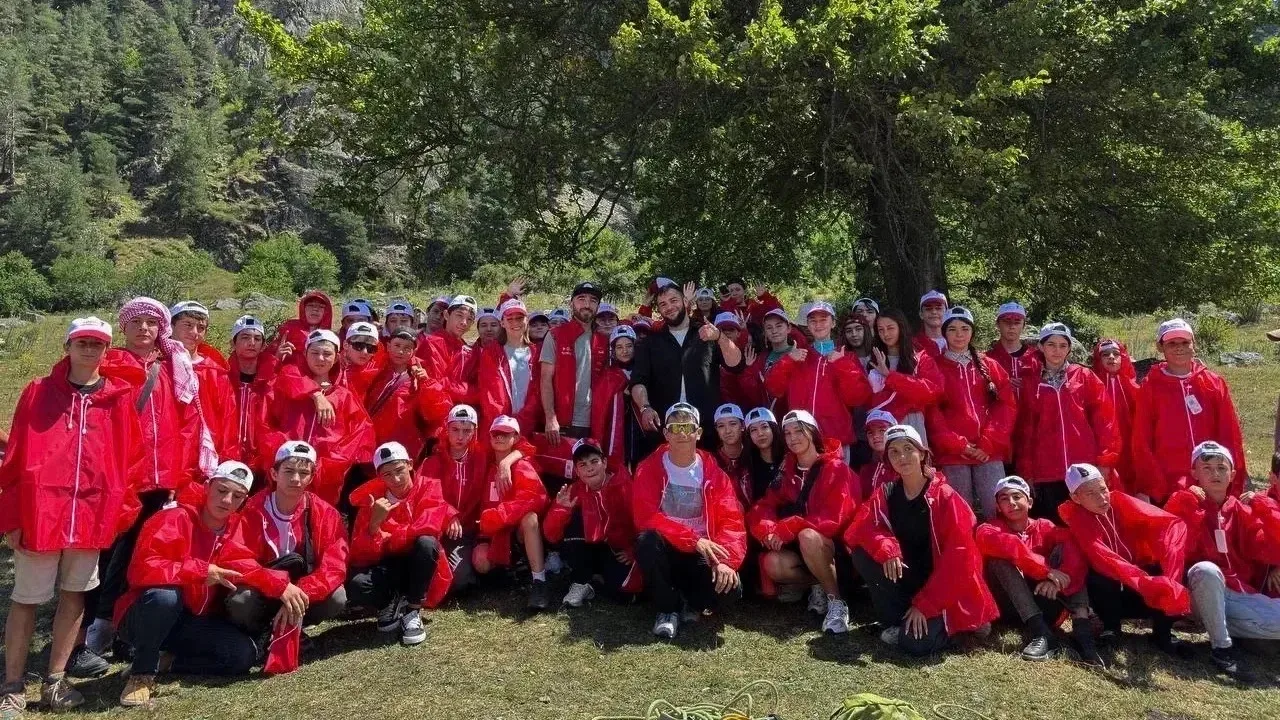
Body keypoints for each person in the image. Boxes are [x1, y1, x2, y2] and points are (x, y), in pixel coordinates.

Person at [0, 318, 144, 714]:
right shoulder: (38, 391)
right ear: (68, 346)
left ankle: (55, 680)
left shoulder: (119, 398)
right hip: (40, 513)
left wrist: (119, 515)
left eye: (97, 344)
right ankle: (12, 686)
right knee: (26, 598)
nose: (89, 350)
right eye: (82, 342)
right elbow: (15, 457)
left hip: (92, 516)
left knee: (75, 595)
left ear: (106, 350)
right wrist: (11, 516)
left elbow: (131, 462)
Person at [82, 298, 208, 669]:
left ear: (160, 329)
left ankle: (125, 628)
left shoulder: (172, 367)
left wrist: (179, 474)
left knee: (142, 556)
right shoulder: (108, 365)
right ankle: (92, 629)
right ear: (123, 327)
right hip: (120, 479)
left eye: (151, 323)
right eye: (136, 322)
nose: (144, 329)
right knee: (106, 556)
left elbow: (186, 424)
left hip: (160, 479)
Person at [113, 462, 282, 707]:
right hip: (145, 613)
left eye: (237, 496)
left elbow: (244, 564)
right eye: (221, 490)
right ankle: (141, 674)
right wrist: (200, 571)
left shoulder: (237, 527)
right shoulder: (173, 517)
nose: (227, 500)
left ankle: (167, 662)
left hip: (191, 619)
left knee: (243, 656)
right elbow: (143, 568)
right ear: (207, 486)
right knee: (165, 596)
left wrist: (282, 586)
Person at [846, 424, 998, 656]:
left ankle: (964, 627)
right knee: (862, 553)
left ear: (922, 454)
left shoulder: (944, 496)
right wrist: (887, 548)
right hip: (911, 578)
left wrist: (926, 604)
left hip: (945, 586)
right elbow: (859, 529)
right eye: (894, 452)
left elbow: (960, 560)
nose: (902, 457)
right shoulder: (886, 492)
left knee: (915, 645)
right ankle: (898, 620)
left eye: (908, 449)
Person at [1165, 442, 1280, 682]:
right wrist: (1189, 506)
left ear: (1233, 474)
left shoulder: (1241, 509)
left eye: (1221, 468)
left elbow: (1270, 550)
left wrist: (1264, 506)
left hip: (1239, 595)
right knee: (1206, 570)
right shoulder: (1182, 501)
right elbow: (1176, 549)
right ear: (1194, 473)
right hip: (1199, 593)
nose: (1215, 474)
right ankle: (1222, 648)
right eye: (1206, 468)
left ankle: (1225, 627)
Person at [230, 442, 350, 670]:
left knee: (337, 597)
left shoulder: (325, 513)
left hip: (300, 588)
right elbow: (236, 558)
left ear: (311, 477)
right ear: (274, 474)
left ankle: (294, 625)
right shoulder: (252, 509)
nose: (296, 479)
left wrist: (300, 594)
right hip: (262, 589)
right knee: (241, 600)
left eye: (304, 473)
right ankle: (262, 631)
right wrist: (280, 586)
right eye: (289, 471)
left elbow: (335, 566)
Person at [632, 403, 746, 639]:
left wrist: (727, 562)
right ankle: (667, 609)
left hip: (701, 553)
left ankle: (690, 602)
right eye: (675, 428)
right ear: (666, 434)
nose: (682, 433)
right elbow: (646, 517)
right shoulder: (649, 468)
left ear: (699, 433)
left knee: (732, 589)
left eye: (688, 427)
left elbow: (732, 521)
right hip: (668, 549)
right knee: (646, 541)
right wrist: (693, 539)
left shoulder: (714, 473)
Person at [1058, 463, 1193, 658]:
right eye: (1091, 494)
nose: (1102, 498)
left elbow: (1168, 523)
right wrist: (1147, 583)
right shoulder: (1078, 519)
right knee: (1101, 575)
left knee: (1169, 568)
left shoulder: (1120, 501)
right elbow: (1105, 559)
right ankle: (1111, 628)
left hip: (1139, 590)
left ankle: (1162, 632)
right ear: (1075, 498)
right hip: (1110, 596)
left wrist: (1171, 578)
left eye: (1103, 489)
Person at [749, 410, 856, 634]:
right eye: (787, 433)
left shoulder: (836, 469)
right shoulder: (788, 470)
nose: (793, 438)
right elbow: (764, 505)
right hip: (804, 549)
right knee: (772, 563)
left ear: (813, 433)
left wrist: (789, 527)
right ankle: (818, 583)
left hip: (838, 551)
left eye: (799, 431)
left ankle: (837, 602)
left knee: (808, 536)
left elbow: (833, 519)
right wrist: (768, 530)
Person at [975, 476, 1095, 663]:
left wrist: (1056, 582)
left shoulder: (1045, 527)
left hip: (1046, 600)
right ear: (998, 506)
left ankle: (1083, 633)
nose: (1011, 503)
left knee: (1069, 549)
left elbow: (1074, 549)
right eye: (1004, 499)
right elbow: (1009, 545)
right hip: (1008, 608)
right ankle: (1041, 633)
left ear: (1030, 502)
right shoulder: (988, 528)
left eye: (1017, 496)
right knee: (998, 560)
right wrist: (1045, 570)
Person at [347, 442, 453, 646]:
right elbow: (359, 555)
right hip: (388, 565)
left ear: (410, 464)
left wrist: (388, 537)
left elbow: (429, 526)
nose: (395, 479)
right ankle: (390, 602)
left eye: (399, 470)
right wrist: (374, 524)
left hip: (419, 563)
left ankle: (412, 610)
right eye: (387, 474)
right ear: (379, 476)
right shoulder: (371, 500)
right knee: (357, 584)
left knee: (427, 543)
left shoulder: (429, 486)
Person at [1013, 323, 1119, 524]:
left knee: (1090, 525)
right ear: (1041, 347)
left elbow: (1105, 421)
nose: (1057, 350)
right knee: (1054, 527)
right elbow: (1025, 431)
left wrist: (1105, 461)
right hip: (1046, 470)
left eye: (1063, 345)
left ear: (1069, 348)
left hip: (1084, 469)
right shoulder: (1031, 383)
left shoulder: (1084, 376)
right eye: (1051, 345)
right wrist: (1026, 471)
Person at [1132, 319, 1247, 504]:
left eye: (1185, 342)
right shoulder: (1150, 386)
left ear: (1194, 344)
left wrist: (1234, 482)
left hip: (1212, 478)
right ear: (1160, 347)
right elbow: (1142, 438)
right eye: (1172, 343)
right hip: (1169, 483)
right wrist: (1150, 486)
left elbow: (1230, 433)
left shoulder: (1213, 382)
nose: (1179, 348)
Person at [260, 329, 376, 506]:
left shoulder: (344, 396)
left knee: (316, 517)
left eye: (327, 354)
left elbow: (358, 436)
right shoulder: (286, 387)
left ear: (336, 358)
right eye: (314, 353)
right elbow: (266, 422)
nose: (320, 359)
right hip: (287, 471)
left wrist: (327, 466)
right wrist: (283, 455)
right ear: (305, 354)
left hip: (324, 478)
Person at [924, 306, 1016, 519]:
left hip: (988, 451)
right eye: (952, 329)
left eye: (964, 329)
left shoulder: (989, 365)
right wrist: (957, 444)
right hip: (953, 454)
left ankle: (999, 542)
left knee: (998, 510)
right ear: (944, 333)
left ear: (972, 332)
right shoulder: (934, 366)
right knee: (959, 515)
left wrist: (989, 442)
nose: (959, 335)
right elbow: (932, 411)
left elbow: (1007, 406)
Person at [630, 282, 744, 445]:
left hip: (706, 429)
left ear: (685, 301)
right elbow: (638, 381)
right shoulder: (649, 343)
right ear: (659, 309)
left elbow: (736, 364)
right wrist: (645, 407)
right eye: (663, 304)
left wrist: (720, 337)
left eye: (673, 300)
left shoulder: (708, 332)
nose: (669, 307)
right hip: (665, 429)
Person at [763, 301, 871, 457]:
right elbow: (774, 389)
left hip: (835, 441)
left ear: (833, 323)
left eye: (823, 320)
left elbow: (858, 398)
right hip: (801, 440)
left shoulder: (847, 357)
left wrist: (842, 364)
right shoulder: (797, 356)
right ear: (807, 324)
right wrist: (787, 361)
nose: (818, 325)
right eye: (813, 320)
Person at [543, 439, 639, 607]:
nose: (590, 468)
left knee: (623, 596)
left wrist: (634, 550)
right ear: (577, 471)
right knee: (574, 516)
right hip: (587, 547)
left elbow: (644, 522)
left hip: (617, 549)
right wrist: (561, 510)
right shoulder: (573, 491)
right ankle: (580, 581)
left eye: (594, 461)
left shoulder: (626, 486)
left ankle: (596, 579)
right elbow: (551, 535)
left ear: (604, 463)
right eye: (583, 464)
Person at [475, 415, 550, 610]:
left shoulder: (522, 465)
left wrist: (499, 515)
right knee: (481, 563)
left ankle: (539, 580)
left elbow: (534, 498)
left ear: (516, 438)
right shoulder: (485, 463)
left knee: (530, 518)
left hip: (515, 533)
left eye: (506, 434)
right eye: (495, 433)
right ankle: (510, 570)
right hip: (492, 533)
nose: (499, 437)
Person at [414, 405, 492, 593]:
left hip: (472, 530)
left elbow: (519, 444)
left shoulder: (482, 459)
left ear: (475, 431)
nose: (460, 436)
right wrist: (449, 515)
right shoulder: (432, 462)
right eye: (455, 429)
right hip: (442, 531)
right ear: (447, 429)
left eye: (467, 431)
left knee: (468, 577)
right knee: (453, 582)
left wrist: (506, 462)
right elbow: (426, 496)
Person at [364, 329, 451, 460]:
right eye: (397, 345)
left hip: (400, 449)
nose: (400, 352)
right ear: (388, 346)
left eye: (407, 348)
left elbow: (436, 412)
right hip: (369, 443)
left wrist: (426, 382)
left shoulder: (418, 379)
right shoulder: (374, 369)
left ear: (414, 351)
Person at [170, 301, 237, 461]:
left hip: (208, 454)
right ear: (171, 326)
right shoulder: (159, 367)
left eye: (201, 328)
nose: (194, 332)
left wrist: (227, 458)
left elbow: (228, 418)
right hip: (170, 456)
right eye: (187, 325)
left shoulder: (215, 371)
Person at [541, 282, 605, 445]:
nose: (587, 304)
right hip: (562, 421)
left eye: (593, 300)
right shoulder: (555, 335)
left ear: (598, 306)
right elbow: (545, 379)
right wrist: (550, 418)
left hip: (595, 421)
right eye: (581, 299)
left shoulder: (604, 339)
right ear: (571, 303)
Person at [867, 308, 942, 444]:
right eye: (881, 330)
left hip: (912, 421)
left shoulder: (920, 358)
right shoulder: (874, 360)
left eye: (890, 328)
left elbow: (932, 392)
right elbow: (867, 398)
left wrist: (890, 376)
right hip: (882, 425)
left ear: (901, 327)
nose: (886, 334)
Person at [227, 315, 275, 476]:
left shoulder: (272, 381)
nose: (252, 343)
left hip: (262, 463)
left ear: (263, 346)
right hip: (224, 459)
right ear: (233, 343)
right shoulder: (221, 377)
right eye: (245, 337)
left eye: (257, 339)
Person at [1091, 338, 1140, 492]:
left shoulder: (1133, 386)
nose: (1111, 357)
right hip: (1102, 450)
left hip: (1130, 448)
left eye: (1116, 354)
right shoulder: (1092, 386)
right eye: (1105, 354)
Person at [590, 325, 641, 470]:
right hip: (619, 432)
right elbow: (600, 412)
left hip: (640, 431)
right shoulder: (608, 376)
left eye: (629, 346)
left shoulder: (643, 371)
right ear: (613, 350)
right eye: (619, 347)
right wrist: (622, 397)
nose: (625, 351)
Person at [417, 294, 477, 399]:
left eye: (469, 319)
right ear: (446, 315)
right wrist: (467, 391)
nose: (464, 323)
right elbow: (435, 384)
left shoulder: (468, 351)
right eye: (459, 315)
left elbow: (478, 387)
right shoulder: (432, 344)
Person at [986, 302, 1042, 398]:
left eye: (1017, 322)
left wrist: (1028, 384)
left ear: (1023, 326)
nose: (1012, 326)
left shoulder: (1037, 357)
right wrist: (1000, 386)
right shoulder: (987, 359)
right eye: (1007, 321)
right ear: (998, 324)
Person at [267, 290, 334, 368]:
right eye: (311, 305)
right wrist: (278, 356)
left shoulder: (331, 337)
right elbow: (268, 361)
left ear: (326, 312)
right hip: (290, 373)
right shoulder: (289, 328)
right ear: (303, 308)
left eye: (321, 306)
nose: (315, 309)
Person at [743, 407, 784, 510]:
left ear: (773, 429)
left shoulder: (789, 460)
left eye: (764, 427)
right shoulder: (746, 468)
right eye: (754, 430)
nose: (760, 433)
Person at [712, 404, 751, 506]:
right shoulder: (711, 462)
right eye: (721, 426)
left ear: (742, 426)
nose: (727, 431)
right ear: (717, 430)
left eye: (733, 424)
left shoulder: (754, 456)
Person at [856, 410, 898, 502]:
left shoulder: (903, 467)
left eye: (882, 430)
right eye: (870, 432)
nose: (875, 436)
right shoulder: (866, 471)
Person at [718, 280, 783, 328]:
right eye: (731, 291)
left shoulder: (754, 306)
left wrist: (764, 296)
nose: (734, 293)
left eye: (737, 289)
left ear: (745, 291)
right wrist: (726, 302)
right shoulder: (726, 309)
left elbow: (777, 312)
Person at [912, 290, 948, 360]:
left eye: (938, 308)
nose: (934, 312)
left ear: (947, 312)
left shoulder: (958, 341)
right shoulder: (913, 344)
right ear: (921, 314)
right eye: (928, 309)